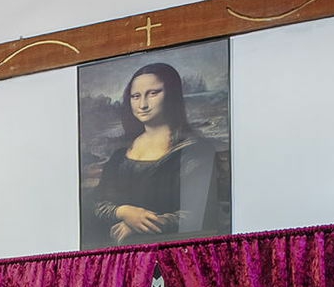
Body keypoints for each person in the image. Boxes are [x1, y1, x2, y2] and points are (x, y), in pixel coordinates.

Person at [85, 62, 231, 247]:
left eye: (153, 93)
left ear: (171, 95)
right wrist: (123, 212)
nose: (143, 104)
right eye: (136, 96)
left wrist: (140, 226)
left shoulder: (195, 151)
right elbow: (95, 203)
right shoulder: (119, 155)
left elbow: (201, 214)